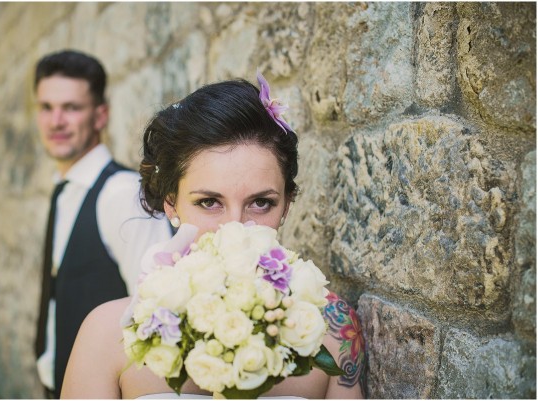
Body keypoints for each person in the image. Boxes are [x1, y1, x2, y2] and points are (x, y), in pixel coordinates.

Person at [60, 73, 365, 399]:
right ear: (172, 204)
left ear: (287, 205)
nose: (234, 227)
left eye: (261, 203)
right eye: (209, 202)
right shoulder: (106, 334)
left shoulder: (332, 329)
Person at [33, 49, 172, 398]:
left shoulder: (121, 194)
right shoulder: (65, 190)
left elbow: (155, 309)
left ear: (100, 116)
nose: (56, 121)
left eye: (72, 108)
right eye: (46, 108)